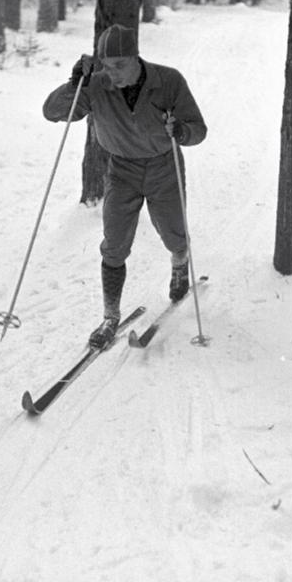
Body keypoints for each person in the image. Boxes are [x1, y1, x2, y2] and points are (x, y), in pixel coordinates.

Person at [43, 24, 207, 349]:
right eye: (106, 64)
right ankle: (109, 317)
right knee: (114, 243)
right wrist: (75, 83)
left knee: (173, 232)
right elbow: (53, 112)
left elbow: (198, 129)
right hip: (121, 169)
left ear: (135, 57)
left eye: (120, 64)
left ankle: (179, 265)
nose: (112, 72)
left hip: (164, 167)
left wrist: (181, 132)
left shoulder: (168, 81)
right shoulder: (96, 85)